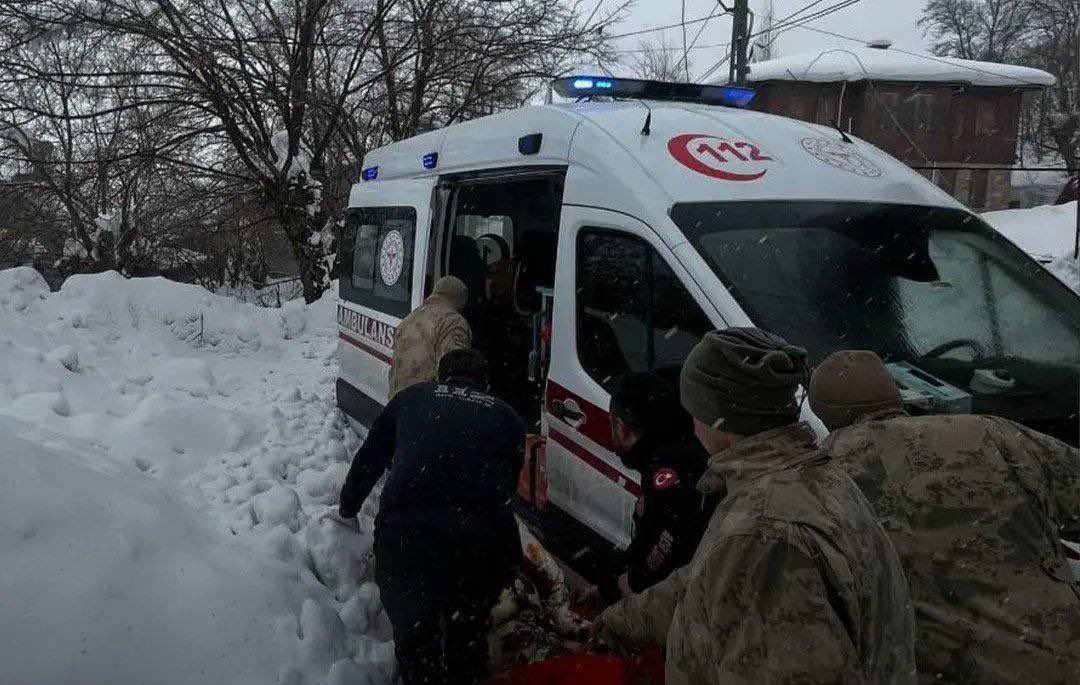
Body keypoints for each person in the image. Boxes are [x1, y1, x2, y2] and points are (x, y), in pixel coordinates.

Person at [593, 328, 916, 684]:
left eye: (693, 408)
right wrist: (622, 622)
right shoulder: (809, 478)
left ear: (717, 418)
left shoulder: (763, 534)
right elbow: (707, 580)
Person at [809, 350, 1080, 683]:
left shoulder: (819, 481)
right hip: (1059, 656)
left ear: (821, 415)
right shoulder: (990, 434)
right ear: (896, 391)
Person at [338, 349, 526, 685]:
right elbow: (503, 493)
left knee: (416, 643)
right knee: (466, 635)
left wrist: (348, 506)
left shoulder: (412, 397)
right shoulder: (507, 417)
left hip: (405, 538)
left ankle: (421, 665)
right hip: (476, 545)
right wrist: (508, 562)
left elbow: (370, 458)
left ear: (440, 376)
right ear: (485, 384)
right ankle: (464, 659)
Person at [607, 372, 715, 597]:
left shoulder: (666, 472)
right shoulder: (684, 447)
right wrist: (606, 588)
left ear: (622, 428)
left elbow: (672, 540)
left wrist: (634, 582)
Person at [387, 275, 471, 398]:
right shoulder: (454, 322)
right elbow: (454, 373)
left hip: (399, 401)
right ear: (459, 300)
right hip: (427, 404)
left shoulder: (412, 316)